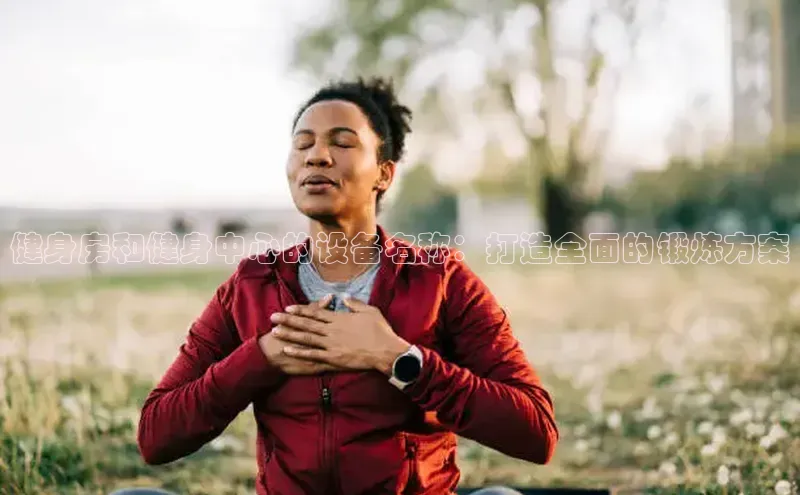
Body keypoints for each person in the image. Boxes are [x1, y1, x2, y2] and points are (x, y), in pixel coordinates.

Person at [128, 77, 559, 495]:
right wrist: (261, 358)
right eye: (303, 144)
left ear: (384, 174)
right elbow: (155, 435)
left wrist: (397, 359)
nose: (317, 156)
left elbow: (536, 431)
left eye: (342, 142)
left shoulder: (440, 280)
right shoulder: (251, 286)